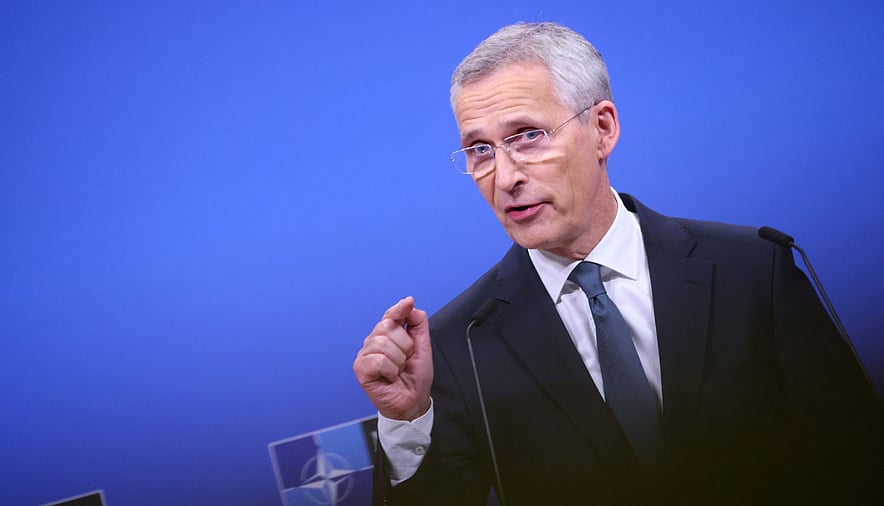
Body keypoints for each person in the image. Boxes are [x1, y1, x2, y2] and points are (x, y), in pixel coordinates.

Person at [352, 22, 882, 505]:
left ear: (602, 129)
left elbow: (855, 460)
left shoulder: (753, 269)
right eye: (481, 150)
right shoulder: (456, 341)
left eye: (527, 136)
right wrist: (406, 424)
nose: (505, 175)